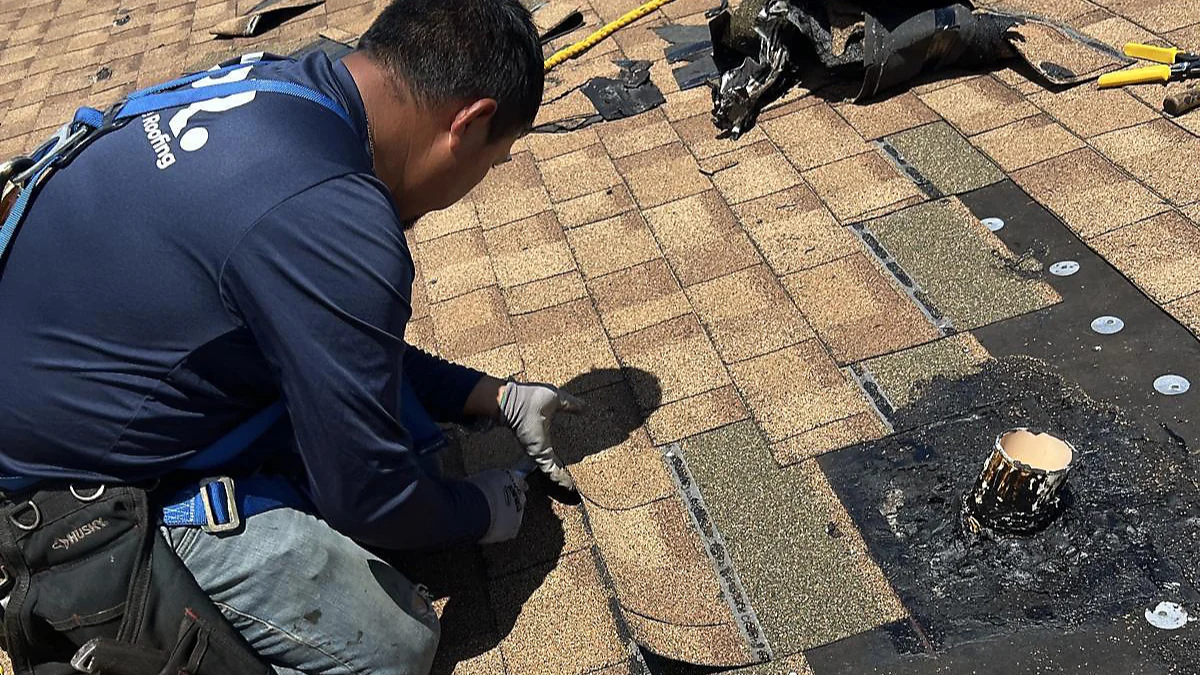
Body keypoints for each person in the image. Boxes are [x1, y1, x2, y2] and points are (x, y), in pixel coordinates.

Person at [0, 0, 575, 673]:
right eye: (494, 160)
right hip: (64, 499)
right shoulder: (336, 216)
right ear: (470, 124)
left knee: (408, 434)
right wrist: (479, 510)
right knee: (393, 644)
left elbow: (331, 338)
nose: (479, 180)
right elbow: (370, 499)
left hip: (49, 369)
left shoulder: (289, 82)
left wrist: (492, 396)